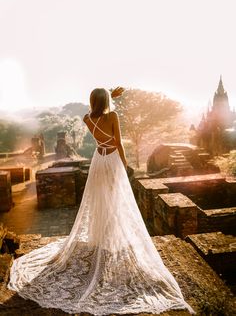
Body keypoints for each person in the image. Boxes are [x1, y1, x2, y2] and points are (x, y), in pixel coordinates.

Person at [7, 87, 195, 315]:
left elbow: (94, 113)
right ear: (106, 100)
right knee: (114, 200)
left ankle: (101, 238)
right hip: (112, 160)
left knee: (99, 200)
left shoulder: (87, 118)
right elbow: (118, 143)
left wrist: (105, 97)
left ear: (91, 101)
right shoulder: (113, 116)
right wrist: (124, 165)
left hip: (98, 159)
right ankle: (110, 239)